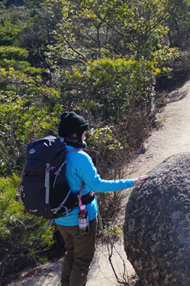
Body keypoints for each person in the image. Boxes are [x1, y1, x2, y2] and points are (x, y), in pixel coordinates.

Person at [55, 111, 149, 286]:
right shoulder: (79, 158)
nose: (85, 138)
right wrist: (132, 182)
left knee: (71, 253)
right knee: (82, 260)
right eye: (83, 134)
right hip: (81, 219)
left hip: (61, 218)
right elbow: (97, 185)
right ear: (74, 134)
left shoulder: (56, 154)